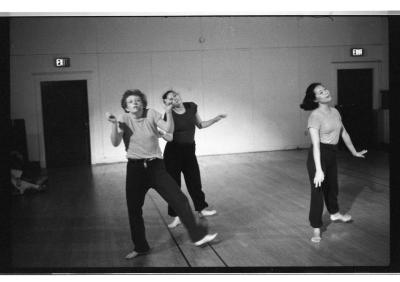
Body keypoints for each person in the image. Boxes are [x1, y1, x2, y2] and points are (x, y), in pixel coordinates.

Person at [106, 89, 217, 259]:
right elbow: (115, 142)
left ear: (143, 103)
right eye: (130, 102)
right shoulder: (123, 118)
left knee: (180, 200)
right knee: (134, 209)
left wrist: (167, 112)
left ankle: (198, 236)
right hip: (135, 170)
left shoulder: (152, 113)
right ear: (126, 107)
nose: (134, 103)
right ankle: (141, 247)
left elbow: (169, 129)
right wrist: (114, 125)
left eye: (137, 100)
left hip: (156, 167)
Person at [300, 83, 367, 243]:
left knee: (333, 187)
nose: (326, 92)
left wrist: (353, 151)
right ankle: (316, 228)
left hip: (331, 153)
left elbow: (344, 133)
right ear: (315, 99)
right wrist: (318, 170)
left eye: (325, 89)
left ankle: (335, 213)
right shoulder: (315, 116)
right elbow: (316, 144)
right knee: (318, 191)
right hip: (318, 155)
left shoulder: (335, 111)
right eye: (320, 92)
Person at [161, 90, 227, 228]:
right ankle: (177, 215)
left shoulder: (191, 107)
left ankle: (201, 209)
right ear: (167, 102)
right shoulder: (169, 114)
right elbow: (170, 135)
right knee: (174, 185)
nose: (175, 99)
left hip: (189, 150)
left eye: (176, 95)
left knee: (194, 180)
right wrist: (160, 134)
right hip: (173, 152)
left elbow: (200, 125)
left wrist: (216, 119)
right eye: (171, 98)